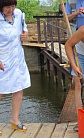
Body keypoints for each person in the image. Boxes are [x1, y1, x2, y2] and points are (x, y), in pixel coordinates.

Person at [0, 0, 31, 132]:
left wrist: (25, 35)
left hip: (17, 56)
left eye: (13, 6)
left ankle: (15, 119)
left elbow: (24, 29)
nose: (11, 9)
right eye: (8, 7)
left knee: (18, 87)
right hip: (3, 58)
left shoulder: (18, 14)